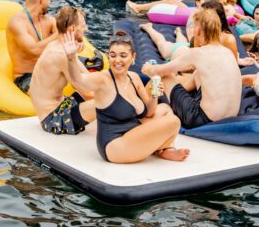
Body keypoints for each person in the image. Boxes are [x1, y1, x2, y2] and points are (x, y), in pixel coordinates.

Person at [63, 29, 188, 162]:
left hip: (132, 132)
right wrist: (71, 58)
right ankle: (161, 147)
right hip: (114, 145)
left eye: (123, 55)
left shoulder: (134, 78)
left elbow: (149, 113)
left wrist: (153, 95)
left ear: (133, 57)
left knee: (165, 109)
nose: (117, 60)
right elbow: (78, 79)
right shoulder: (103, 80)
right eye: (113, 55)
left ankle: (166, 149)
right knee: (174, 122)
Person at [142, 9, 242, 128]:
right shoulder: (227, 52)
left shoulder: (196, 53)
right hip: (230, 118)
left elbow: (157, 71)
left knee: (165, 78)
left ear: (199, 30)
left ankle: (144, 112)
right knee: (198, 73)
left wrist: (147, 68)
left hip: (202, 119)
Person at [29, 6, 96, 135]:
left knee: (106, 91)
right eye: (83, 25)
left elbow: (87, 79)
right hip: (53, 119)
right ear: (72, 29)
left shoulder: (55, 45)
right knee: (106, 101)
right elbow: (88, 93)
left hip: (62, 105)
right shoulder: (61, 55)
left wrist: (75, 55)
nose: (86, 28)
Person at [6, 0, 58, 93]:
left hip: (48, 70)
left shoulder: (49, 20)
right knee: (48, 94)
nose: (50, 2)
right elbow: (34, 50)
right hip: (26, 77)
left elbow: (69, 38)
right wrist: (60, 34)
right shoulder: (18, 23)